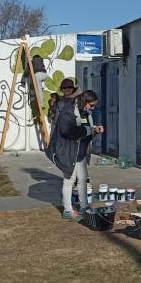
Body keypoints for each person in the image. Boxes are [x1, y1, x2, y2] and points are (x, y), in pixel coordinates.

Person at [46, 88, 103, 221]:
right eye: (92, 105)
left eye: (94, 105)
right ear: (84, 102)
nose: (93, 108)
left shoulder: (86, 113)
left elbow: (87, 131)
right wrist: (89, 130)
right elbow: (67, 131)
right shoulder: (68, 112)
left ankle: (84, 206)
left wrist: (95, 130)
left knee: (83, 179)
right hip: (68, 152)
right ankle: (67, 210)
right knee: (69, 180)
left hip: (81, 152)